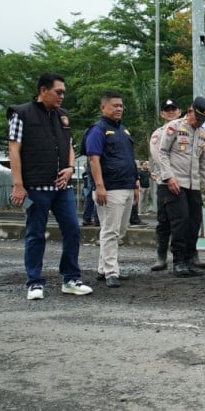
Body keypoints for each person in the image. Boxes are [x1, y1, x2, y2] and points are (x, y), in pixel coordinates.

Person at [7, 72, 93, 300]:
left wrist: (70, 167)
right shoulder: (21, 114)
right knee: (35, 233)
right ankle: (34, 282)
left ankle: (71, 278)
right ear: (43, 91)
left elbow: (70, 145)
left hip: (61, 187)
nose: (62, 96)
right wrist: (18, 184)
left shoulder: (62, 116)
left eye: (63, 92)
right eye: (58, 92)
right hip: (35, 186)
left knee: (73, 229)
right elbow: (14, 149)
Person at [83, 90, 141, 288]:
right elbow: (93, 159)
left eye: (121, 106)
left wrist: (135, 184)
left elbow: (128, 159)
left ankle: (103, 268)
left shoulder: (123, 131)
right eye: (115, 105)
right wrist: (99, 186)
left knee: (120, 231)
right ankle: (111, 271)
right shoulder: (97, 131)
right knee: (110, 231)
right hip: (109, 188)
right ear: (103, 107)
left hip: (125, 186)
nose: (119, 109)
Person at [154, 97, 205, 278]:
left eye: (203, 120)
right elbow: (162, 152)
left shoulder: (202, 133)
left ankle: (189, 260)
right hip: (174, 183)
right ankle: (178, 262)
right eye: (198, 119)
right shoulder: (174, 127)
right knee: (179, 222)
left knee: (193, 222)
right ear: (190, 112)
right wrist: (168, 176)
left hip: (193, 184)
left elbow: (204, 162)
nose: (200, 123)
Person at [148, 99, 184, 271]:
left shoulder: (189, 131)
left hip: (186, 183)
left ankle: (190, 255)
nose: (171, 112)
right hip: (165, 183)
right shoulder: (158, 134)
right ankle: (161, 257)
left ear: (180, 111)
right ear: (162, 114)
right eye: (167, 110)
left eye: (173, 109)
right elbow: (159, 158)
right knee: (164, 221)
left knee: (188, 221)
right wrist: (170, 177)